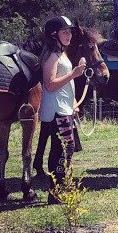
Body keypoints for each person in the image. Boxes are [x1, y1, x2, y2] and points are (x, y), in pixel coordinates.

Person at [39, 15, 85, 203]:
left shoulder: (61, 54)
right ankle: (55, 191)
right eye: (64, 32)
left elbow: (64, 84)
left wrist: (73, 102)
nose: (68, 35)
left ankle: (59, 187)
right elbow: (49, 85)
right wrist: (74, 74)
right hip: (56, 110)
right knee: (61, 149)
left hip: (63, 108)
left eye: (69, 32)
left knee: (66, 148)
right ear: (54, 35)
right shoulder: (52, 56)